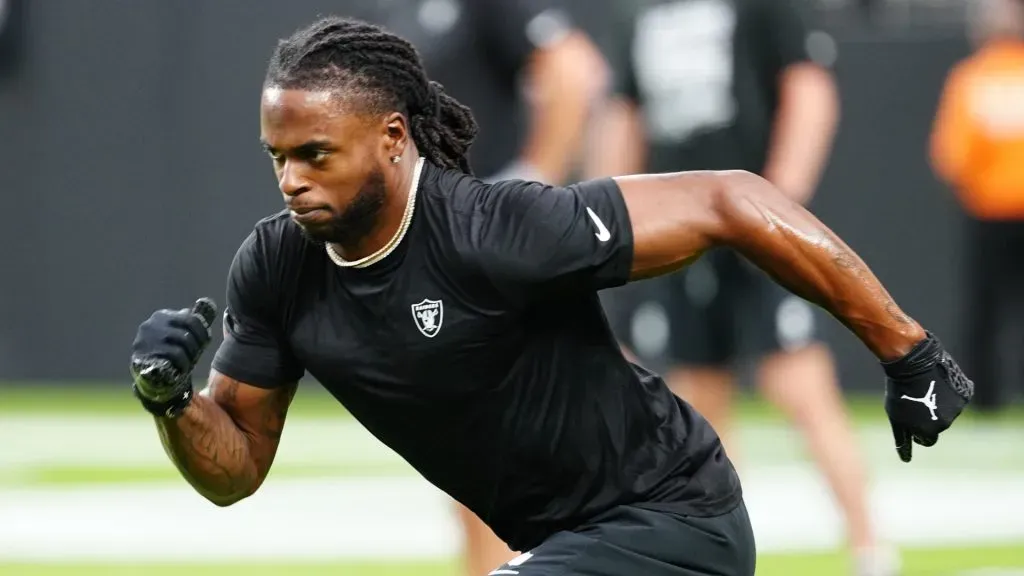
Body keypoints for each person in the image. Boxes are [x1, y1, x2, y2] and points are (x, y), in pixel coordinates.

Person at [129, 16, 973, 576]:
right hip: (567, 545)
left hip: (673, 521)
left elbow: (731, 199)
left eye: (316, 153)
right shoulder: (276, 267)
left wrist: (911, 351)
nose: (290, 179)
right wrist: (173, 405)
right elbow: (234, 469)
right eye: (278, 155)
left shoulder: (496, 229)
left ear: (392, 139)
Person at [585, 0, 896, 572]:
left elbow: (808, 88)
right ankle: (718, 550)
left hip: (755, 222)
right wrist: (607, 217)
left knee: (798, 384)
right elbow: (625, 114)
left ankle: (869, 546)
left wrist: (779, 205)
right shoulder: (639, 15)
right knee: (698, 405)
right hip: (682, 231)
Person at [324, 4, 607, 570]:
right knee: (473, 454)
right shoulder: (374, 15)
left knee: (507, 445)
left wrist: (533, 179)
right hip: (431, 247)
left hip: (484, 242)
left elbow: (576, 68)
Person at [930, 0, 1024, 411]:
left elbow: (951, 155)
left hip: (988, 211)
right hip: (1000, 209)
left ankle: (985, 400)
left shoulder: (972, 77)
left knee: (984, 311)